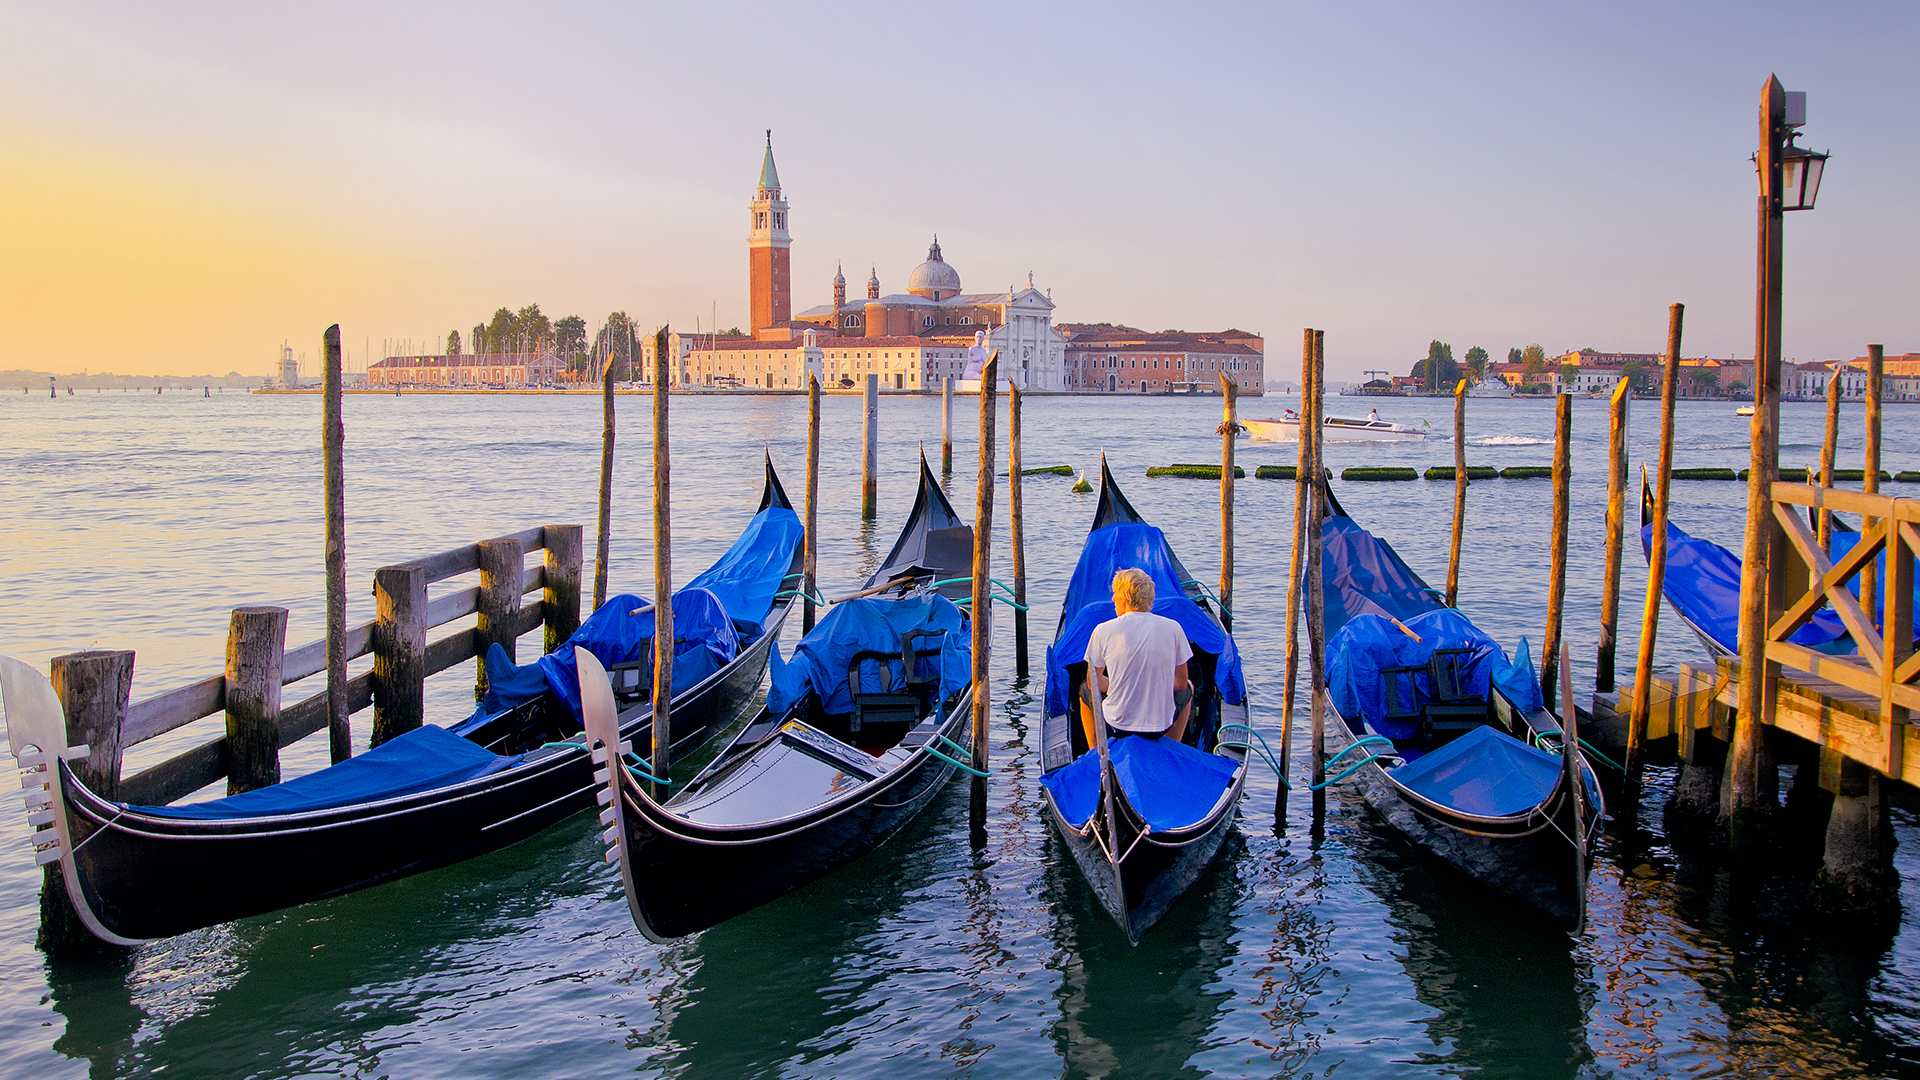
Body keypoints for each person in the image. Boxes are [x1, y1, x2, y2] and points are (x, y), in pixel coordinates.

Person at [1080, 568, 1193, 749]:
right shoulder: (1174, 628)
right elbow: (1180, 683)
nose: (1113, 599)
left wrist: (1117, 684)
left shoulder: (1102, 630)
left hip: (1117, 726)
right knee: (1189, 689)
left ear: (1124, 598)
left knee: (1084, 690)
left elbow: (1093, 683)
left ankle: (1095, 750)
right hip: (1160, 726)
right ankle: (1171, 748)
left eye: (1116, 594)